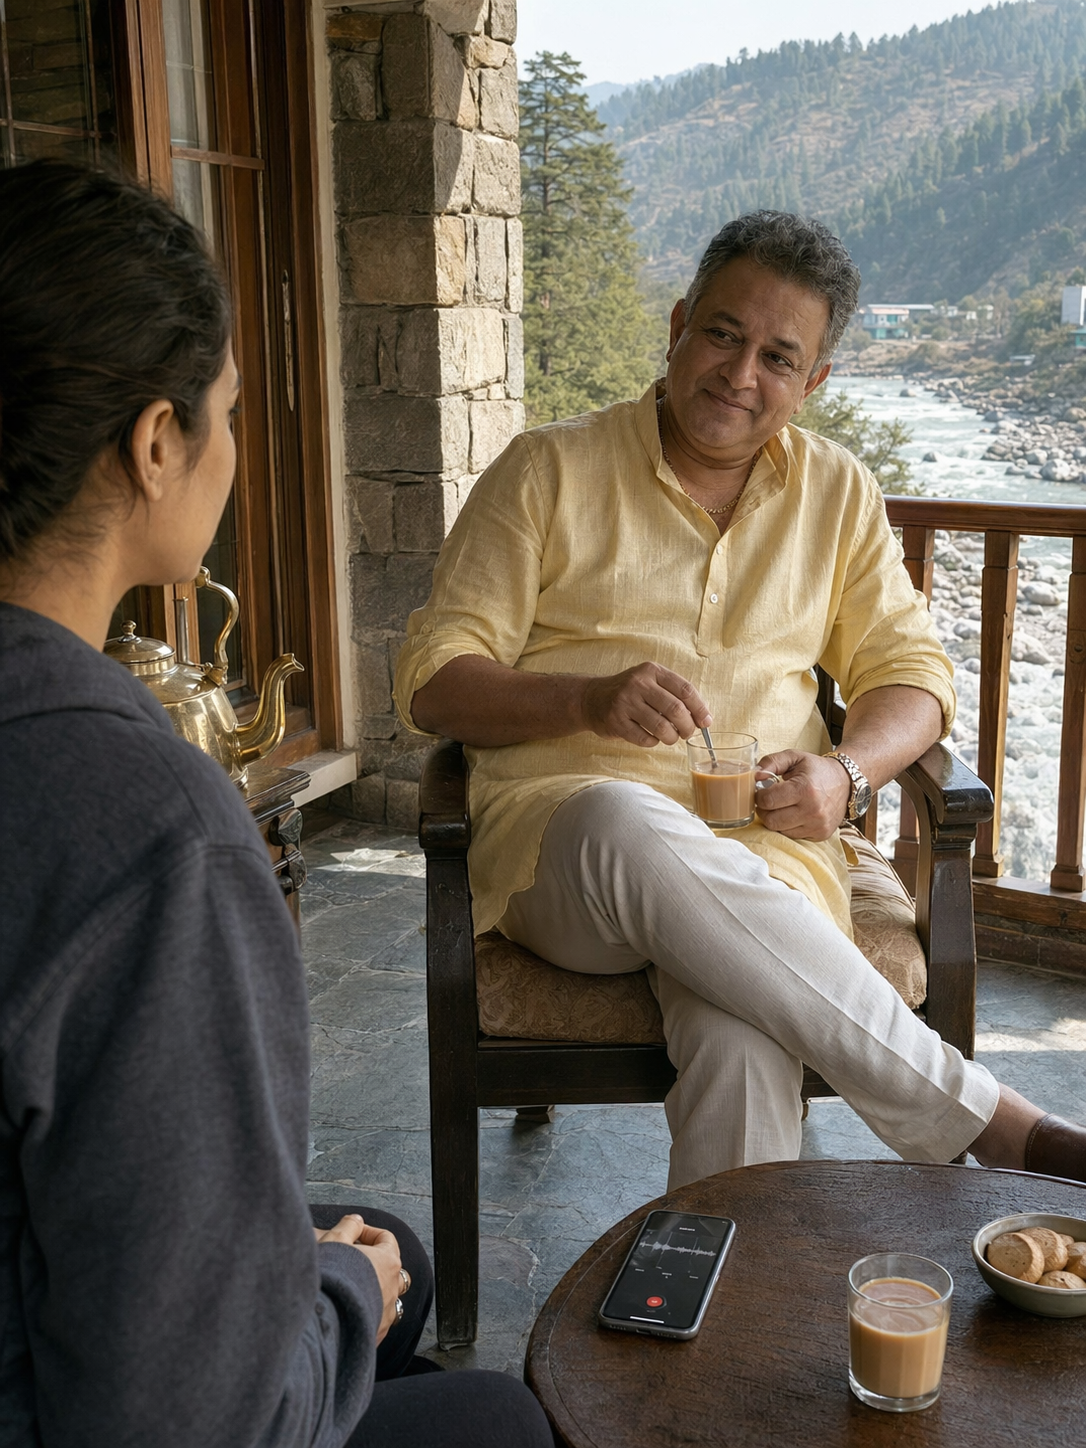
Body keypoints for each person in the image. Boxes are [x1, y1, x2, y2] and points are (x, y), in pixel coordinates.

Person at [0, 161, 552, 1448]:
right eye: (230, 411)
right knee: (502, 1422)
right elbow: (187, 1419)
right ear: (153, 443)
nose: (235, 448)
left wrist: (346, 1279)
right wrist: (341, 1291)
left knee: (389, 1246)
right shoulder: (141, 827)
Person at [394, 209, 1086, 1193]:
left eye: (777, 354)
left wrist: (846, 773)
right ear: (678, 324)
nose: (739, 371)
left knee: (744, 1033)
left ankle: (721, 1328)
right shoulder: (547, 470)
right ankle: (991, 1120)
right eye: (722, 333)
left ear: (814, 383)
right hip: (571, 852)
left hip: (766, 862)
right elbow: (434, 682)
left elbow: (913, 676)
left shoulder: (837, 494)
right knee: (622, 812)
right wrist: (587, 698)